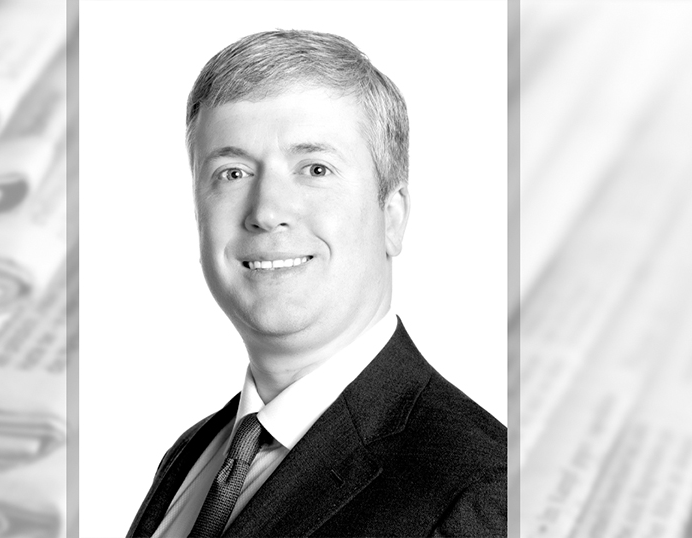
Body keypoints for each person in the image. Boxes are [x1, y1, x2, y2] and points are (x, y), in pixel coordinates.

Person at [127, 30, 506, 538]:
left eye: (315, 168)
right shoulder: (193, 456)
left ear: (392, 217)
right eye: (232, 173)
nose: (267, 212)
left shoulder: (480, 493)